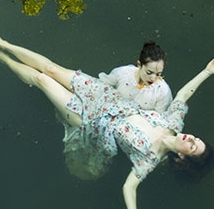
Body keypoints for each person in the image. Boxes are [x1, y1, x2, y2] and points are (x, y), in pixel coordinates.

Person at [0, 29, 214, 209]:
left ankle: (2, 58)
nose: (191, 138)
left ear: (182, 158)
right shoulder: (174, 123)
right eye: (196, 139)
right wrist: (207, 72)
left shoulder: (149, 158)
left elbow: (129, 187)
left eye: (192, 146)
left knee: (42, 80)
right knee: (51, 68)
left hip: (91, 120)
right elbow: (183, 95)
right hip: (104, 96)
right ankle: (4, 43)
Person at [61, 41, 172, 179]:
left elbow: (157, 121)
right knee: (50, 72)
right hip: (104, 102)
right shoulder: (124, 72)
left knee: (43, 81)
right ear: (139, 64)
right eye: (149, 72)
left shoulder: (162, 92)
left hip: (117, 126)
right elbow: (104, 85)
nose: (153, 78)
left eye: (158, 74)